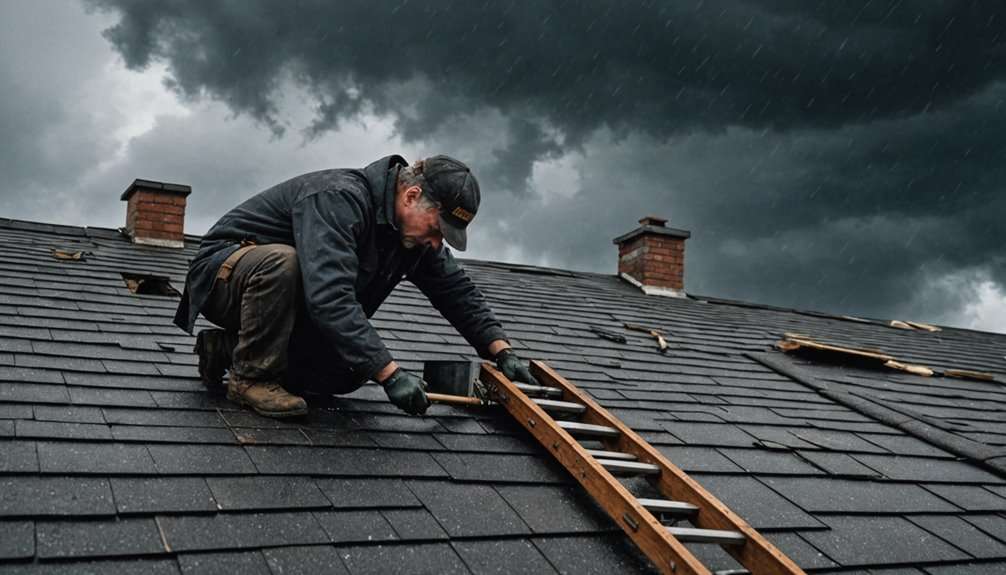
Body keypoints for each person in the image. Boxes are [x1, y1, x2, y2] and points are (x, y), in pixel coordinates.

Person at [173, 154, 537, 418]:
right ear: (411, 196)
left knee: (347, 371)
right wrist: (391, 373)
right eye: (437, 230)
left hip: (284, 303)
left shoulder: (410, 235)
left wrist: (500, 349)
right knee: (284, 263)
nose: (436, 242)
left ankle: (227, 349)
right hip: (226, 275)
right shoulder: (338, 198)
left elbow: (455, 290)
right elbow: (330, 298)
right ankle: (250, 377)